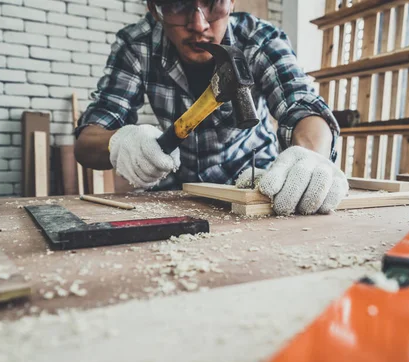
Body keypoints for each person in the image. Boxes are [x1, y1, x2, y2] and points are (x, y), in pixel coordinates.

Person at [74, 0, 349, 215]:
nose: (198, 23)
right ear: (155, 9)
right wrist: (119, 142)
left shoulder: (260, 38)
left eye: (213, 2)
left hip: (255, 183)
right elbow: (87, 141)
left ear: (231, 2)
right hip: (180, 188)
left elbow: (302, 106)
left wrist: (311, 157)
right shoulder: (136, 45)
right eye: (178, 5)